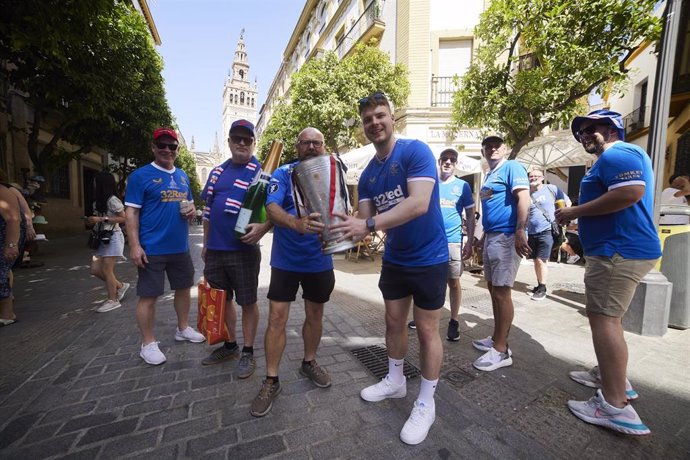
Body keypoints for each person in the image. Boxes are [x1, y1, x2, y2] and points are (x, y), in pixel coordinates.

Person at [330, 92, 448, 445]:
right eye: (368, 120)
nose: (374, 123)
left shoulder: (415, 152)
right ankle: (395, 381)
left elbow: (419, 204)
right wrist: (341, 223)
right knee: (393, 322)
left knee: (427, 330)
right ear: (363, 127)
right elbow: (365, 222)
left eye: (380, 116)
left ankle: (426, 402)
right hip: (396, 259)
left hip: (430, 258)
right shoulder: (367, 175)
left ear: (392, 118)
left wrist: (365, 226)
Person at [556, 109, 661, 436]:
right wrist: (581, 220)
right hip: (618, 248)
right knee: (608, 319)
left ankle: (615, 406)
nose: (585, 134)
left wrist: (575, 210)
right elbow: (617, 202)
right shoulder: (615, 158)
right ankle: (610, 377)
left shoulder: (620, 153)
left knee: (604, 319)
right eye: (581, 132)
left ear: (613, 128)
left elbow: (630, 193)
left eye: (592, 128)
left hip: (619, 250)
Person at [250, 127, 335, 417]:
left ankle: (309, 361)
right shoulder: (283, 173)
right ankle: (271, 380)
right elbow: (271, 207)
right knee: (276, 318)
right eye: (305, 143)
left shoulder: (332, 174)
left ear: (323, 147)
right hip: (286, 261)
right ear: (297, 147)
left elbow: (346, 210)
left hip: (320, 261)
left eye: (316, 143)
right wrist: (295, 224)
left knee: (315, 316)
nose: (311, 147)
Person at [125, 127, 205, 365]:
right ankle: (147, 343)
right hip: (152, 248)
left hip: (179, 246)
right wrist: (135, 246)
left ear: (178, 150)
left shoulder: (182, 176)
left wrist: (191, 210)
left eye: (172, 146)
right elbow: (131, 213)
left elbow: (188, 205)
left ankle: (183, 328)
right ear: (154, 148)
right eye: (162, 145)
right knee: (148, 296)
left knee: (183, 289)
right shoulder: (140, 176)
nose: (167, 150)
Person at [200, 120, 272, 379]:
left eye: (247, 139)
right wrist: (206, 244)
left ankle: (248, 351)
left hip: (243, 250)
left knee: (248, 302)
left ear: (253, 143)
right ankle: (230, 345)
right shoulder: (217, 173)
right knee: (222, 301)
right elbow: (207, 211)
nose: (242, 143)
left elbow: (275, 210)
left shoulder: (263, 174)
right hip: (216, 250)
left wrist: (263, 228)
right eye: (237, 138)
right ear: (229, 142)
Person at [472, 134, 530, 371]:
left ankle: (501, 350)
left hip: (507, 237)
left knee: (502, 292)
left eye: (497, 145)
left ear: (504, 148)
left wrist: (520, 230)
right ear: (483, 150)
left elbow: (523, 198)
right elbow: (490, 209)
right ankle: (497, 337)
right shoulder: (489, 175)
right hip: (492, 236)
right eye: (488, 146)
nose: (492, 149)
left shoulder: (512, 167)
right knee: (493, 289)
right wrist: (483, 235)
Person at [408, 148, 475, 340]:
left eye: (452, 160)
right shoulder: (430, 184)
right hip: (428, 240)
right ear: (439, 161)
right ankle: (420, 315)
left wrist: (469, 241)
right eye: (444, 159)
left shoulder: (463, 186)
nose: (448, 162)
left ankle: (454, 321)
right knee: (423, 280)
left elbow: (470, 215)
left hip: (452, 241)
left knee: (453, 281)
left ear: (456, 163)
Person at [88, 171, 130, 313]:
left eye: (95, 181)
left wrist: (101, 219)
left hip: (112, 237)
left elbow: (124, 218)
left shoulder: (112, 200)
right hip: (101, 237)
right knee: (95, 270)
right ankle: (120, 286)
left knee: (107, 269)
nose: (92, 184)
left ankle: (113, 300)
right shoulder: (97, 201)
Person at [526, 169, 570, 300]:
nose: (533, 178)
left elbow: (567, 203)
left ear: (542, 177)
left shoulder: (552, 189)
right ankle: (539, 284)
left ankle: (542, 288)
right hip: (532, 231)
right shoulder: (527, 193)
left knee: (541, 259)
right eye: (531, 176)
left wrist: (559, 218)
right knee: (535, 260)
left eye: (536, 176)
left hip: (548, 230)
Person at [0, 182, 25, 326]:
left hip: (5, 239)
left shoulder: (3, 191)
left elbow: (14, 218)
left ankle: (7, 313)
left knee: (1, 273)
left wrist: (11, 244)